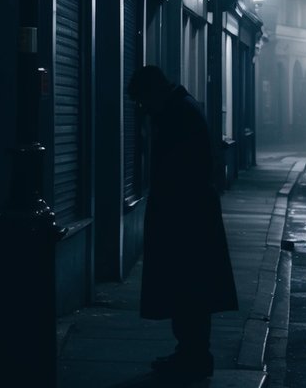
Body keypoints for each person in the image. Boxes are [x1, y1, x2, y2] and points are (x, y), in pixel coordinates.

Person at [128, 65, 238, 384]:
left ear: (153, 92)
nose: (143, 110)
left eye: (143, 102)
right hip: (189, 215)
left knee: (189, 289)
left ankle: (194, 356)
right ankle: (189, 352)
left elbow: (180, 169)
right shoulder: (180, 108)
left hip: (186, 219)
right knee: (188, 290)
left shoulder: (178, 114)